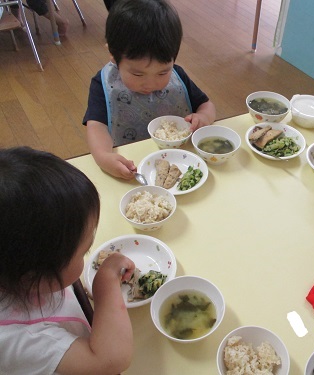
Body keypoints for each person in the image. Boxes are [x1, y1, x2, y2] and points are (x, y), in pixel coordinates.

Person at [0, 147, 136, 374]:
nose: (87, 254)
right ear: (35, 273)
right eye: (84, 251)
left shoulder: (15, 265)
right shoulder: (23, 341)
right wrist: (106, 281)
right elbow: (110, 361)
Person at [83, 0, 216, 180]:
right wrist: (103, 157)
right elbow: (96, 127)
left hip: (182, 163)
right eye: (138, 74)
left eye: (163, 72)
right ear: (114, 57)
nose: (151, 83)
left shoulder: (178, 76)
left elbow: (206, 105)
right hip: (132, 165)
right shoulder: (105, 84)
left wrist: (203, 118)